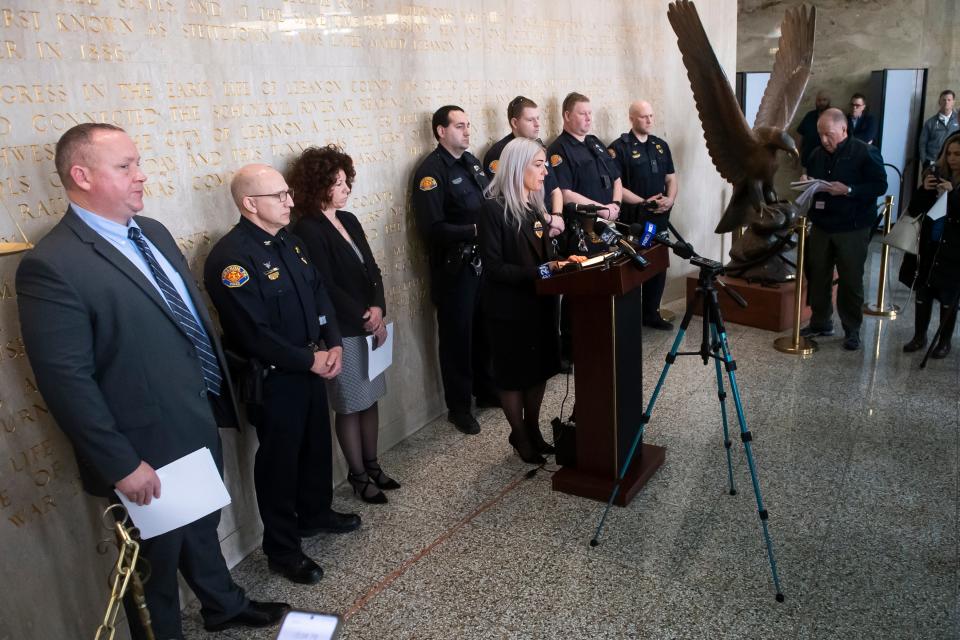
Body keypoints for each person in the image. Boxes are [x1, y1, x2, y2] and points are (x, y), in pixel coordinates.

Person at [15, 123, 289, 639]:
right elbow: (67, 381)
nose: (142, 176)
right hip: (142, 447)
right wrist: (120, 464)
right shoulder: (52, 265)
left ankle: (223, 605)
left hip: (193, 415)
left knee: (203, 527)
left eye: (137, 163)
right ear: (81, 175)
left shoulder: (155, 232)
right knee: (154, 569)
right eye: (125, 167)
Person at [204, 164, 360, 587]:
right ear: (250, 204)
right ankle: (283, 550)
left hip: (314, 363)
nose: (290, 201)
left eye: (288, 193)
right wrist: (307, 360)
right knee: (279, 462)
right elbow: (252, 332)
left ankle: (316, 512)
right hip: (275, 377)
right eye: (279, 196)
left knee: (315, 444)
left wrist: (332, 344)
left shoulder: (289, 242)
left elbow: (318, 293)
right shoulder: (231, 259)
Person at [287, 145, 400, 503]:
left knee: (371, 399)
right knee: (351, 404)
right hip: (343, 329)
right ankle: (358, 475)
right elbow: (325, 285)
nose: (346, 188)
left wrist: (379, 307)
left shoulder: (348, 219)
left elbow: (372, 268)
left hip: (370, 323)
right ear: (318, 186)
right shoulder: (307, 228)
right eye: (337, 183)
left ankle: (373, 464)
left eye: (345, 180)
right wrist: (365, 317)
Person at [479, 138, 574, 464]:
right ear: (518, 167)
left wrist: (563, 263)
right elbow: (494, 268)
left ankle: (532, 430)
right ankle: (519, 435)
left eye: (544, 163)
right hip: (509, 309)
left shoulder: (535, 206)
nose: (545, 171)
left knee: (539, 371)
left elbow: (544, 257)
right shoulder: (492, 209)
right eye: (538, 164)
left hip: (541, 304)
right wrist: (540, 272)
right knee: (514, 375)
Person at [412, 105, 499, 435]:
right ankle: (459, 408)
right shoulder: (431, 173)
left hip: (482, 263)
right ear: (441, 131)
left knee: (484, 330)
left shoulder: (472, 163)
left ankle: (487, 391)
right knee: (457, 338)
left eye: (468, 125)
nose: (467, 131)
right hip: (455, 268)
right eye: (460, 126)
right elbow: (432, 229)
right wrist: (475, 231)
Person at [800, 108, 888, 350]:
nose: (823, 140)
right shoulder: (817, 153)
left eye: (828, 134)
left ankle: (852, 329)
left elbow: (880, 185)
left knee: (850, 279)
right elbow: (814, 177)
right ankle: (820, 322)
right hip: (821, 224)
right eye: (820, 134)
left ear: (843, 130)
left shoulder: (865, 152)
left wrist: (849, 190)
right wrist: (807, 182)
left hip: (852, 226)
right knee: (817, 274)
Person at [608, 100, 679, 330]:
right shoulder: (620, 148)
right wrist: (644, 203)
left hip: (659, 219)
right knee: (635, 265)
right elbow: (617, 186)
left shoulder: (660, 145)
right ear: (631, 118)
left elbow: (671, 178)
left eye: (651, 116)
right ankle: (630, 317)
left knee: (658, 265)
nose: (649, 120)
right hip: (636, 222)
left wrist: (670, 199)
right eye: (643, 116)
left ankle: (651, 313)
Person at [898, 133, 960, 357]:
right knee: (923, 290)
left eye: (958, 154)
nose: (952, 159)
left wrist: (952, 196)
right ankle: (919, 336)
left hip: (953, 247)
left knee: (947, 296)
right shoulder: (936, 174)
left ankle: (944, 341)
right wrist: (924, 188)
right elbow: (915, 209)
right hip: (929, 242)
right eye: (949, 153)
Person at [483, 95, 565, 235]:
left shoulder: (539, 148)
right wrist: (548, 220)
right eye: (530, 120)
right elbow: (509, 203)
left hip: (549, 224)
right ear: (515, 123)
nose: (537, 124)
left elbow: (555, 189)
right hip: (522, 228)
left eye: (538, 118)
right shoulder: (500, 153)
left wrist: (557, 217)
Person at [918, 90, 959, 168]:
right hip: (934, 163)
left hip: (952, 164)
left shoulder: (958, 120)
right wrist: (925, 162)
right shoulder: (930, 123)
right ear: (939, 102)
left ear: (953, 102)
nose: (946, 102)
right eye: (944, 100)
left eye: (949, 100)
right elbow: (922, 144)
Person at [796, 90, 831, 169]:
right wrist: (796, 154)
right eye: (819, 100)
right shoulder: (809, 115)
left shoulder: (834, 116)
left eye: (824, 100)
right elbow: (800, 135)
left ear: (829, 101)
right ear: (815, 101)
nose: (821, 102)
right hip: (807, 161)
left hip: (827, 163)